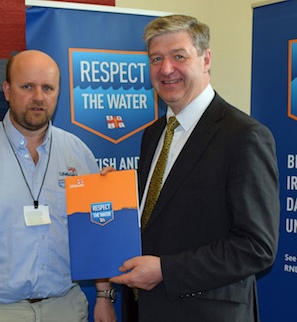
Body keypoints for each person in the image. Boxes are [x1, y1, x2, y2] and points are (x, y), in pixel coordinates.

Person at [110, 15, 280, 322]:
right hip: (144, 310)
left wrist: (165, 270)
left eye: (179, 56)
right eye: (156, 58)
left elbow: (257, 247)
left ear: (206, 59)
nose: (165, 69)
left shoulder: (244, 136)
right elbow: (156, 219)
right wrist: (111, 197)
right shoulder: (153, 134)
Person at [0, 50, 116, 322]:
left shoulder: (78, 153)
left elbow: (95, 232)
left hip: (66, 307)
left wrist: (103, 295)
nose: (38, 97)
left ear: (58, 92)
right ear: (7, 90)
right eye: (27, 86)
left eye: (47, 88)